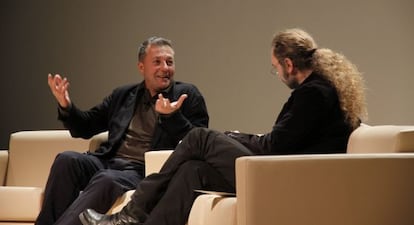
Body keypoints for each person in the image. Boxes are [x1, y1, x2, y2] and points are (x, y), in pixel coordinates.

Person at [79, 28, 368, 225]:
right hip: (283, 170)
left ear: (289, 64)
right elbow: (286, 141)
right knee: (193, 171)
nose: (277, 74)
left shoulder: (313, 94)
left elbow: (276, 146)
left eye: (275, 68)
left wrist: (234, 137)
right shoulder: (321, 92)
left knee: (200, 138)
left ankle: (131, 213)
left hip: (284, 178)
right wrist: (241, 137)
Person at [35, 36, 209, 225]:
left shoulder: (187, 95)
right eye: (157, 62)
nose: (165, 68)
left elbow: (199, 140)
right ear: (141, 67)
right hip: (108, 161)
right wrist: (66, 106)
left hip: (142, 170)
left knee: (106, 179)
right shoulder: (124, 95)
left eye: (169, 62)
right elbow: (85, 127)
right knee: (67, 160)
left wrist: (172, 117)